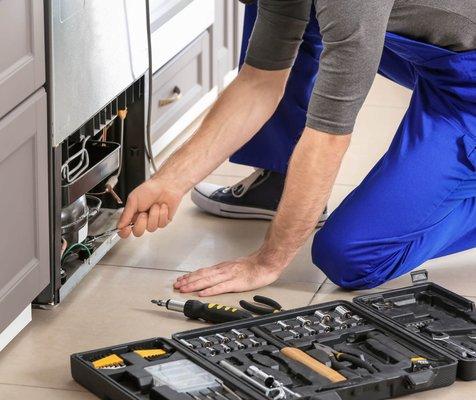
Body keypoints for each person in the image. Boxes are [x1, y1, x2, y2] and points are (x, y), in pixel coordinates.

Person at [118, 0, 476, 296]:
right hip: (443, 64)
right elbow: (259, 82)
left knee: (351, 257)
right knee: (310, 20)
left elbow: (328, 138)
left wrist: (266, 262)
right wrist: (169, 181)